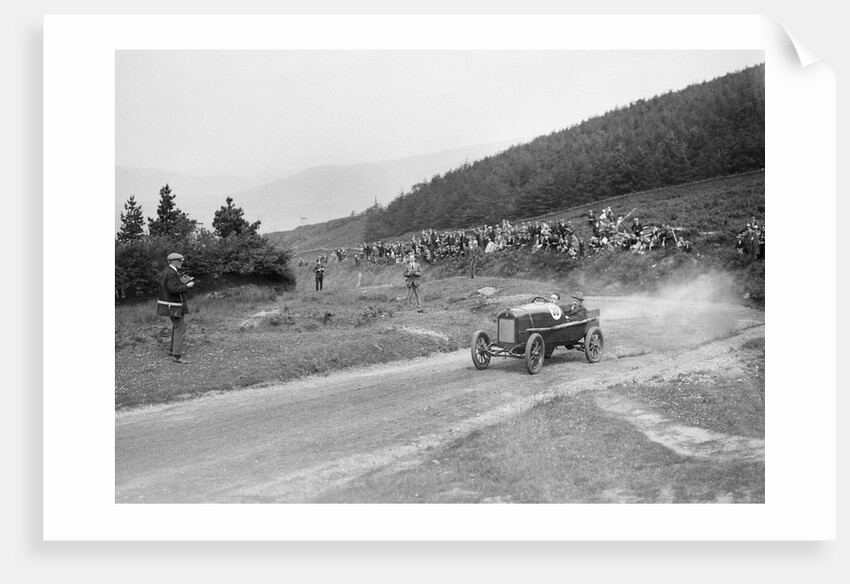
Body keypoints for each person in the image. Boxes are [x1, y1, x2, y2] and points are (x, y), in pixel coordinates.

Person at [157, 252, 195, 364]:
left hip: (170, 305)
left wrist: (182, 282)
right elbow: (173, 289)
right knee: (180, 328)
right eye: (180, 260)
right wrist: (187, 286)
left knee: (176, 327)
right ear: (173, 261)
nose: (182, 262)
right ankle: (177, 356)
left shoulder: (167, 271)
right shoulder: (172, 273)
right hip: (174, 305)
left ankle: (172, 350)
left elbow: (170, 286)